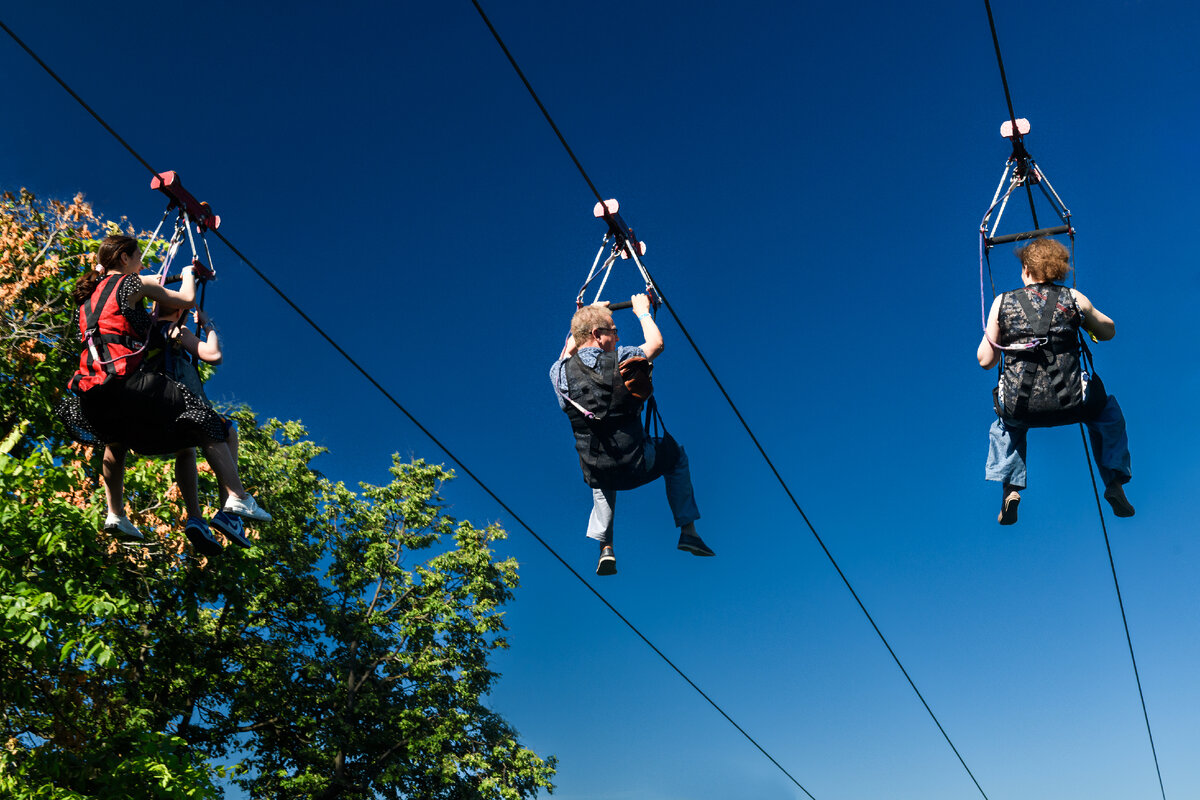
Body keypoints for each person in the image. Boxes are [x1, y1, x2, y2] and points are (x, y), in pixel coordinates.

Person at [55, 234, 269, 555]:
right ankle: (236, 496)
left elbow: (135, 321)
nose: (144, 263)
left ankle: (115, 513)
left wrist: (154, 296)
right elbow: (185, 299)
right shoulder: (131, 283)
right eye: (139, 256)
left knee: (115, 441)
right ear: (125, 258)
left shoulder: (90, 298)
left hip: (90, 392)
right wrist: (186, 275)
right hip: (124, 383)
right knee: (205, 418)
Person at [550, 293, 713, 575]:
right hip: (636, 464)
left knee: (600, 471)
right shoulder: (622, 358)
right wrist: (642, 312)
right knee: (676, 455)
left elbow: (568, 348)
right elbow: (656, 344)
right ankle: (688, 529)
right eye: (613, 331)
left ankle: (606, 547)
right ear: (598, 335)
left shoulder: (557, 374)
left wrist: (587, 314)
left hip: (597, 471)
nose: (617, 336)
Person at [977, 237, 1133, 524]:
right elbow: (1108, 331)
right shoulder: (1074, 298)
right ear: (1058, 269)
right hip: (1075, 400)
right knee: (1108, 412)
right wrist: (1086, 321)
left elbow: (986, 360)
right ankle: (1114, 482)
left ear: (1026, 269)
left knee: (1005, 424)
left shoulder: (1002, 302)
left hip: (1020, 406)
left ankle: (1010, 489)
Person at [146, 303, 257, 551]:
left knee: (185, 450)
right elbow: (213, 355)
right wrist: (207, 325)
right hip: (180, 404)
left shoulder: (146, 330)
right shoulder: (175, 329)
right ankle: (230, 509)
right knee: (226, 431)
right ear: (178, 312)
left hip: (155, 408)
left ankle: (195, 517)